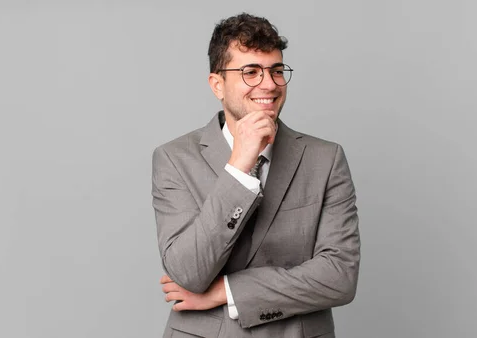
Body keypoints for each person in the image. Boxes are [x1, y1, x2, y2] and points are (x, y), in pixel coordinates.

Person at [152, 13, 360, 338]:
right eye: (251, 72)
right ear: (217, 85)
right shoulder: (174, 159)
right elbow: (188, 272)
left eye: (277, 71)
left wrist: (226, 291)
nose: (269, 84)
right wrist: (238, 168)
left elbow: (339, 277)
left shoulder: (326, 159)